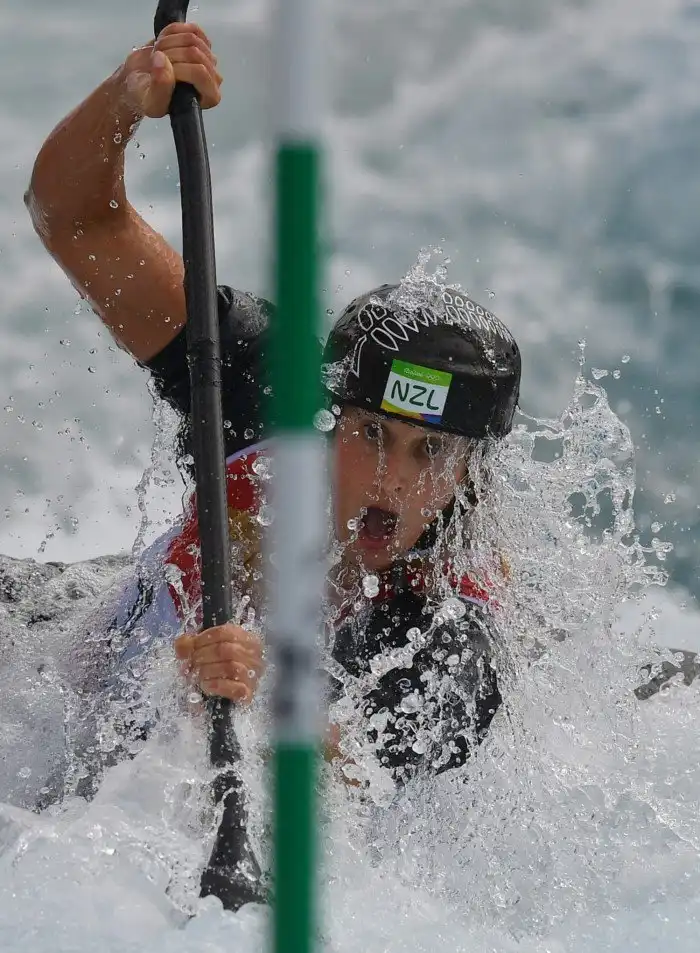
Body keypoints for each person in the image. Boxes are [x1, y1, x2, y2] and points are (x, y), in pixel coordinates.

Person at [25, 21, 521, 907]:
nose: (392, 480)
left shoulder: (449, 633)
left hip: (137, 806)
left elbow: (324, 795)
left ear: (466, 475)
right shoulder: (261, 384)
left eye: (431, 454)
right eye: (370, 435)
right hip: (78, 641)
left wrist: (241, 709)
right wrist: (125, 101)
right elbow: (70, 218)